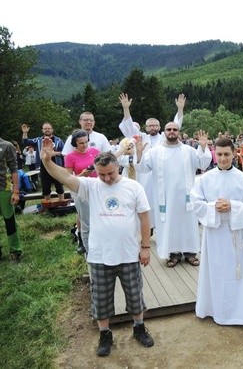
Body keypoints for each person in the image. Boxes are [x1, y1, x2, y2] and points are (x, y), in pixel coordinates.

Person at [41, 141, 154, 356]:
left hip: (129, 253)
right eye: (102, 174)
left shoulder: (133, 186)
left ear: (117, 167)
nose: (106, 178)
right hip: (100, 254)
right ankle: (105, 334)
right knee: (100, 299)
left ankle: (139, 328)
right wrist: (47, 161)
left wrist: (146, 247)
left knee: (135, 296)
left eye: (110, 173)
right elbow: (64, 177)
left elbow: (144, 218)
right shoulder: (91, 186)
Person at [190, 137, 243, 325]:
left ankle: (240, 312)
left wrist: (233, 206)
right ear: (215, 154)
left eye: (226, 154)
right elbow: (196, 204)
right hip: (214, 234)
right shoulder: (205, 179)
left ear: (234, 153)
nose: (223, 158)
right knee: (216, 273)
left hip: (235, 234)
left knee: (237, 275)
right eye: (219, 154)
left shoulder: (242, 179)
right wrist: (214, 206)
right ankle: (215, 310)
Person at [136, 122, 212, 267]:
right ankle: (174, 254)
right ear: (164, 132)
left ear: (178, 132)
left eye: (174, 129)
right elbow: (142, 168)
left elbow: (203, 164)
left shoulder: (189, 150)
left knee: (188, 225)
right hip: (166, 199)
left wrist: (203, 147)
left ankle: (191, 253)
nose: (172, 131)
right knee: (170, 226)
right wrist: (139, 153)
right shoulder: (155, 152)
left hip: (186, 198)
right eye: (169, 129)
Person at [119, 92, 185, 234]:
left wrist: (180, 109)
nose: (153, 128)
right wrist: (126, 109)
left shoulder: (164, 138)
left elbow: (176, 125)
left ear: (160, 127)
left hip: (163, 175)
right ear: (146, 127)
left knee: (163, 203)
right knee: (146, 202)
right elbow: (129, 127)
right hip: (144, 176)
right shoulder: (140, 138)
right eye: (150, 126)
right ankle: (147, 228)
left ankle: (163, 229)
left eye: (156, 125)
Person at [64, 129, 101, 254]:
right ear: (75, 143)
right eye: (81, 143)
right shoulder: (70, 157)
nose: (84, 145)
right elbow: (68, 179)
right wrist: (82, 174)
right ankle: (86, 248)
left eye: (86, 142)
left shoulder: (95, 152)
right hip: (81, 189)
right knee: (85, 220)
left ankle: (99, 243)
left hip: (97, 188)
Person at [22, 123, 66, 201]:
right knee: (45, 187)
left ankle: (62, 203)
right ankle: (47, 205)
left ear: (52, 129)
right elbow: (26, 142)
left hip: (56, 166)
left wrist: (53, 153)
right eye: (45, 128)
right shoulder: (38, 140)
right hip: (43, 166)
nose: (47, 130)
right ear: (42, 130)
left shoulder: (58, 140)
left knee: (59, 185)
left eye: (49, 128)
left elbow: (64, 152)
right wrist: (25, 132)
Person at [0, 138, 22, 263]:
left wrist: (16, 191)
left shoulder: (6, 145)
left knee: (9, 220)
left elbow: (14, 168)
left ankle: (15, 251)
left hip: (4, 189)